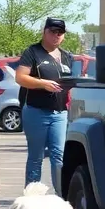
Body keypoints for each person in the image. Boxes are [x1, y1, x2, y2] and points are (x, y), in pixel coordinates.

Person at [15, 17, 74, 193]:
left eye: (60, 33)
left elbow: (69, 82)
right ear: (44, 32)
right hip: (36, 111)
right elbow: (20, 77)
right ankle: (32, 197)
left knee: (59, 156)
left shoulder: (67, 56)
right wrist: (42, 83)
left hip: (60, 113)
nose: (57, 35)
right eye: (53, 32)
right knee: (36, 156)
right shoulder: (33, 52)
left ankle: (61, 196)